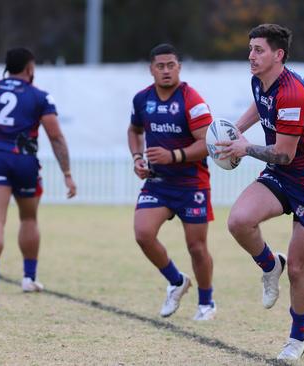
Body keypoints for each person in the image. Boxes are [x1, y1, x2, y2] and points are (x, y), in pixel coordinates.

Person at [217, 24, 304, 361]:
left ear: (278, 55)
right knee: (239, 221)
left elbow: (283, 152)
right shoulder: (261, 80)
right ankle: (271, 266)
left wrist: (245, 148)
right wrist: (234, 131)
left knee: (299, 270)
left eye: (259, 50)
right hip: (284, 175)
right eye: (251, 48)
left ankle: (296, 339)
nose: (251, 56)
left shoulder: (292, 93)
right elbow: (259, 105)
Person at [0, 47, 77, 295]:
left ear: (7, 67)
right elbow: (56, 136)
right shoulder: (40, 96)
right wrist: (67, 173)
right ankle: (28, 279)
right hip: (25, 161)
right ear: (30, 69)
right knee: (29, 219)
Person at [128, 44, 216, 321]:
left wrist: (173, 155)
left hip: (192, 184)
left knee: (196, 247)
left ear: (179, 67)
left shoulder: (192, 100)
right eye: (160, 66)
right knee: (143, 233)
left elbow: (208, 144)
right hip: (159, 182)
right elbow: (134, 129)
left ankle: (206, 303)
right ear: (151, 69)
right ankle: (177, 281)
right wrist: (137, 158)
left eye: (171, 65)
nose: (166, 71)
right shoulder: (142, 99)